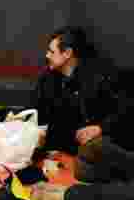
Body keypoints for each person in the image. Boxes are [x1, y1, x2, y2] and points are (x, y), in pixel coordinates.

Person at [32, 27, 119, 163]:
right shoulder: (47, 79)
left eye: (51, 51)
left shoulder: (97, 79)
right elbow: (37, 111)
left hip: (90, 150)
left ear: (67, 53)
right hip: (58, 151)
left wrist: (100, 128)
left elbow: (118, 114)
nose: (47, 55)